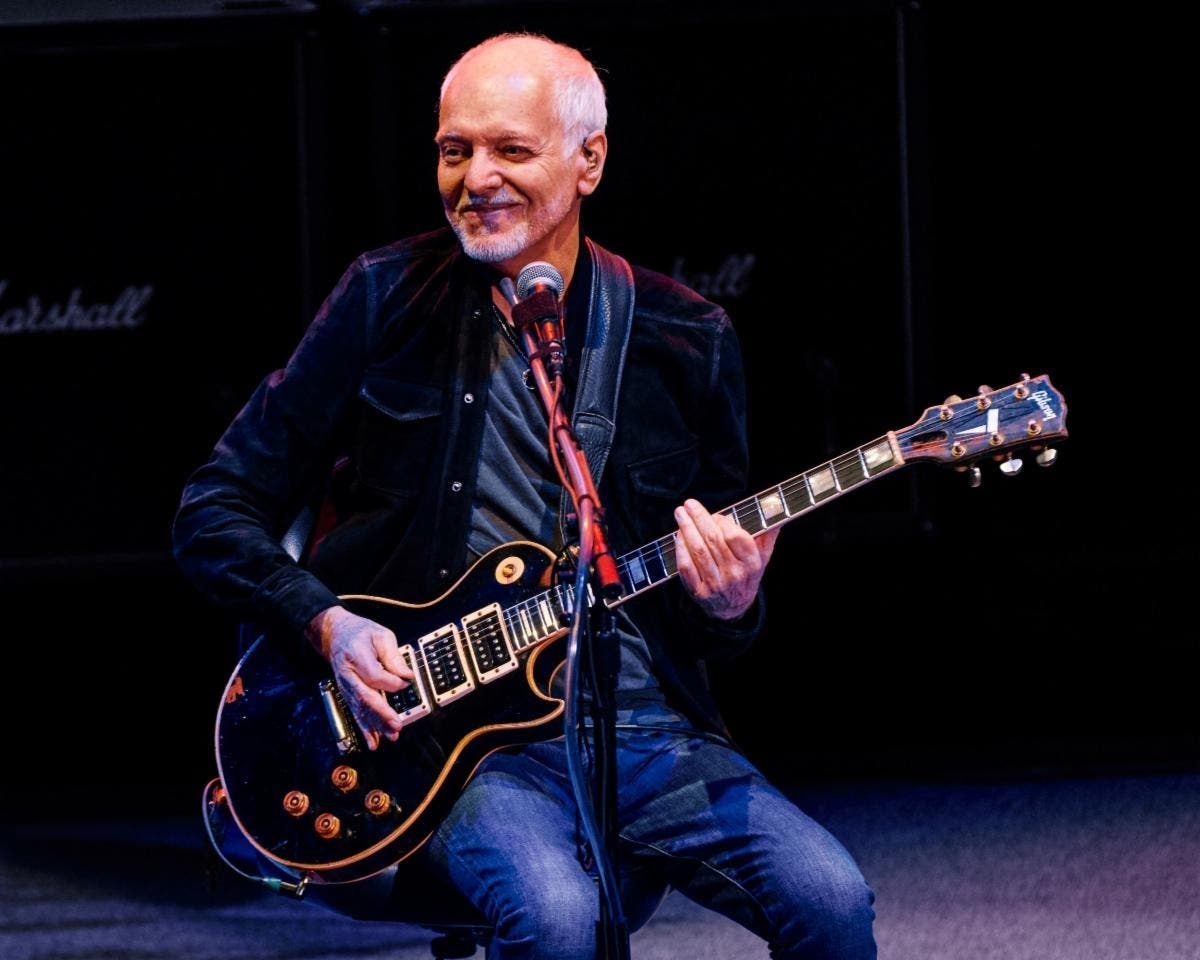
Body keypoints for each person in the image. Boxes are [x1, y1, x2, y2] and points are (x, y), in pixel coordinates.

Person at [173, 31, 877, 960]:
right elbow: (212, 509)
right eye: (454, 150)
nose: (477, 178)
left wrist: (733, 599)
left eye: (511, 150)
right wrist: (327, 625)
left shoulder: (684, 335)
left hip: (638, 720)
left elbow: (712, 616)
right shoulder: (385, 297)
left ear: (589, 162)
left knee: (831, 900)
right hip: (452, 744)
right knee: (553, 921)